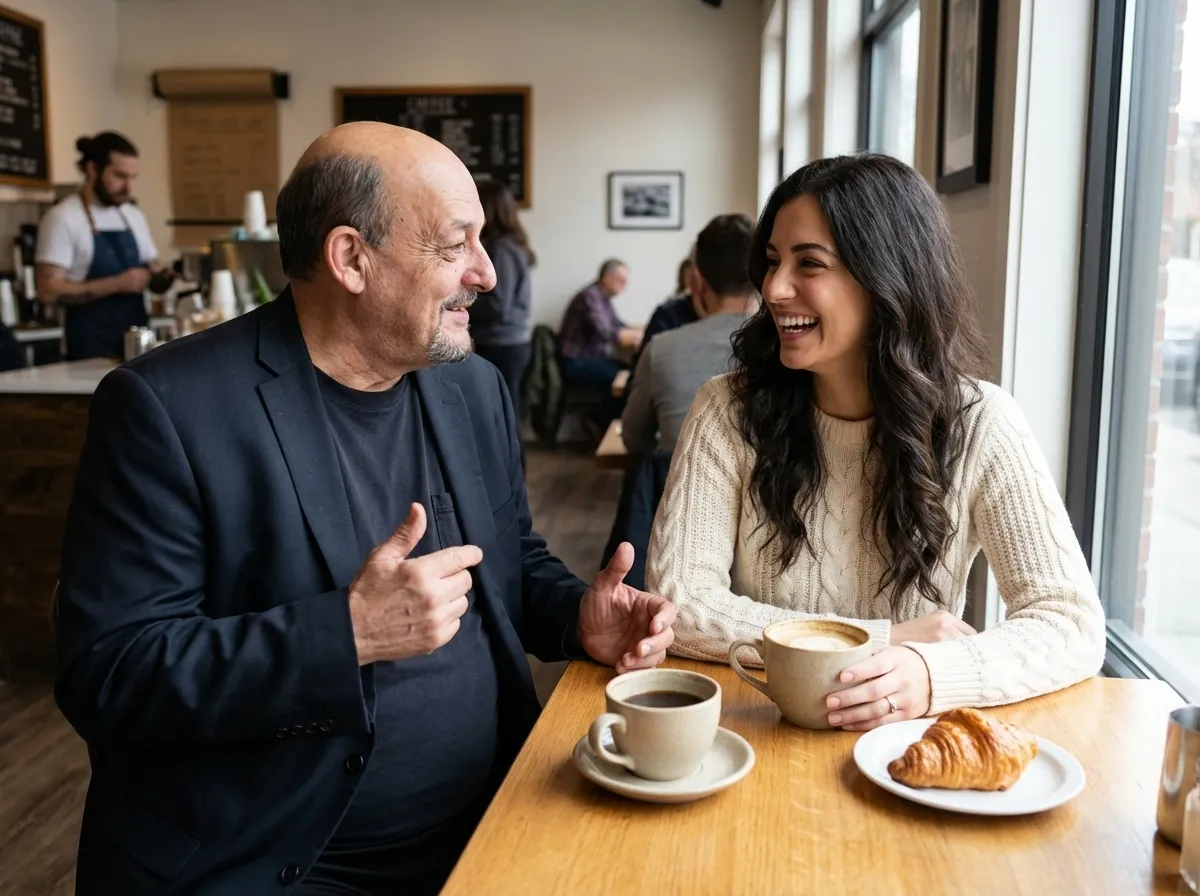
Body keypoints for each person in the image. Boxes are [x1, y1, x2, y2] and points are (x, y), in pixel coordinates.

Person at [54, 122, 677, 896]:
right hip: (284, 857)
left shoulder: (472, 387)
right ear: (351, 257)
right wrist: (345, 635)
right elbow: (109, 674)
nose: (486, 272)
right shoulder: (169, 408)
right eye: (455, 246)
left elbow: (508, 556)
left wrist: (574, 618)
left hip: (491, 821)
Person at [647, 154, 1105, 732]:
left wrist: (933, 674)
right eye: (771, 261)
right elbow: (681, 602)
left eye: (809, 263)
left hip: (906, 749)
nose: (774, 287)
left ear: (887, 275)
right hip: (763, 732)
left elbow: (1070, 623)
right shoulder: (727, 411)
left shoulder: (981, 422)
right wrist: (880, 641)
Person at [622, 214, 756, 457]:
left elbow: (633, 439)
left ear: (697, 281)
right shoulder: (785, 349)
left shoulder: (660, 349)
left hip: (674, 486)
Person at [35, 132, 173, 360]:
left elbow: (152, 266)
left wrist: (163, 276)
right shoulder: (63, 218)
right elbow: (48, 290)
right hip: (88, 350)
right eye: (119, 176)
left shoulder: (132, 216)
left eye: (133, 178)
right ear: (92, 169)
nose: (128, 188)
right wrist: (116, 284)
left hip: (137, 350)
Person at [468, 179, 534, 410]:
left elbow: (497, 306)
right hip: (507, 342)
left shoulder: (501, 249)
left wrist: (458, 302)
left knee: (502, 414)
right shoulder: (507, 246)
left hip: (501, 344)